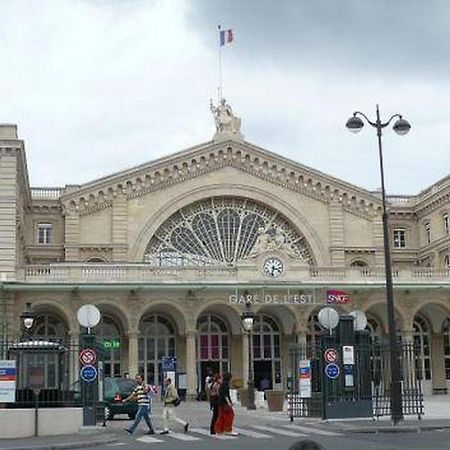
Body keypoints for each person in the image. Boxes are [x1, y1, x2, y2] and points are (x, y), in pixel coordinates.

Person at [214, 372, 238, 436]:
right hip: (225, 403)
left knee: (221, 416)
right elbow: (225, 395)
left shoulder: (222, 384)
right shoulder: (226, 384)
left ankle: (219, 430)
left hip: (220, 402)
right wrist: (229, 403)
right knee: (230, 415)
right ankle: (228, 429)